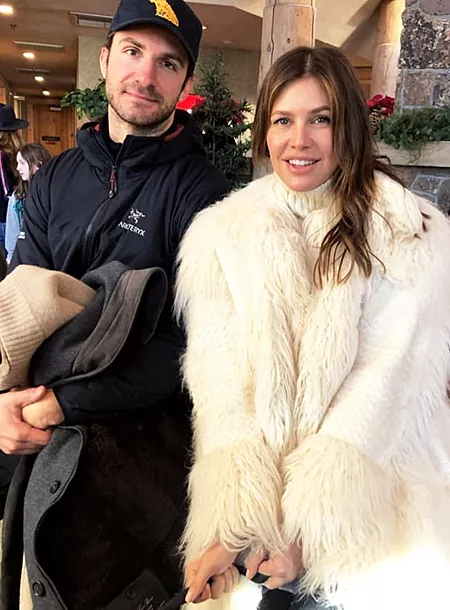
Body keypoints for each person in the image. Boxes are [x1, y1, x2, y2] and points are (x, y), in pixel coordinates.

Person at [175, 46, 450, 610]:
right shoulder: (220, 236)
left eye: (320, 119)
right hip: (261, 539)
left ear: (347, 126)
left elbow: (385, 384)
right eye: (283, 120)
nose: (298, 140)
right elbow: (221, 387)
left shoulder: (410, 233)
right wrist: (233, 527)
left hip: (378, 524)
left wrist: (309, 531)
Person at [0, 0, 230, 607]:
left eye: (168, 63)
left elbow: (188, 347)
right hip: (38, 437)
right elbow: (20, 307)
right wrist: (7, 403)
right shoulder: (55, 179)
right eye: (132, 52)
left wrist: (63, 401)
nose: (145, 76)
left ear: (184, 81)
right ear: (105, 59)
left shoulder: (203, 194)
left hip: (141, 462)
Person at [5, 143, 52, 263]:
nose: (17, 168)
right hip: (25, 259)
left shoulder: (54, 191)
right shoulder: (18, 197)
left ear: (38, 164)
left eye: (22, 163)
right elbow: (12, 237)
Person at [0, 104, 28, 253]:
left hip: (5, 217)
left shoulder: (2, 155)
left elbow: (6, 191)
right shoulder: (15, 153)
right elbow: (7, 191)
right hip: (11, 215)